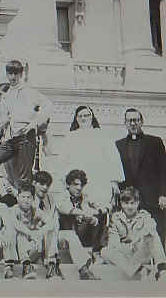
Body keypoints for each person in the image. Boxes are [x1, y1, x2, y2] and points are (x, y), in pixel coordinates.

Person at [0, 60, 53, 186]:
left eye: (16, 74)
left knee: (24, 176)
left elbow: (48, 105)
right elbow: (2, 120)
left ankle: (25, 202)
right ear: (7, 74)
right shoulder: (7, 94)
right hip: (11, 138)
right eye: (10, 74)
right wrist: (5, 121)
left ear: (21, 74)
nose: (13, 77)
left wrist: (34, 124)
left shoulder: (29, 91)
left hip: (26, 137)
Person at [51, 105, 124, 210]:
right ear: (76, 119)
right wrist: (64, 181)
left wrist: (114, 182)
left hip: (99, 181)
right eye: (80, 116)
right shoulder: (70, 137)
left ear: (92, 117)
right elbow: (63, 161)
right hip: (77, 183)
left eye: (86, 115)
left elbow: (113, 158)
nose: (83, 118)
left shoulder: (102, 135)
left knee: (100, 210)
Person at [115, 108, 166, 245]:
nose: (133, 123)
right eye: (129, 120)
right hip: (129, 200)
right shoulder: (118, 145)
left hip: (152, 198)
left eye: (136, 120)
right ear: (125, 123)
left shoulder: (155, 142)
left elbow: (163, 170)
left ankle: (160, 264)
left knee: (156, 234)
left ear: (142, 122)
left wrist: (163, 194)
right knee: (131, 236)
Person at [101, 187, 166, 281]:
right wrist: (127, 247)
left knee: (153, 235)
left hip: (139, 253)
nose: (130, 207)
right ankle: (140, 270)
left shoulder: (145, 216)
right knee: (105, 251)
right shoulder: (115, 218)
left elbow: (151, 228)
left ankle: (162, 269)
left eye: (132, 203)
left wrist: (137, 239)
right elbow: (113, 243)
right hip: (123, 255)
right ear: (121, 204)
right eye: (126, 203)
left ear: (138, 203)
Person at [56, 169, 105, 280]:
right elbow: (66, 209)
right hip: (61, 235)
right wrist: (86, 214)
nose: (79, 188)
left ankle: (96, 252)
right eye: (76, 184)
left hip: (78, 234)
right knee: (71, 234)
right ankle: (84, 270)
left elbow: (99, 206)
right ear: (68, 185)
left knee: (100, 216)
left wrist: (96, 213)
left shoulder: (84, 197)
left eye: (81, 185)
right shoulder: (61, 196)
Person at [12, 181, 60, 280]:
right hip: (17, 252)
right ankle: (26, 267)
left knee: (51, 230)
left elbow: (51, 223)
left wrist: (39, 234)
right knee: (21, 234)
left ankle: (51, 266)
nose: (26, 200)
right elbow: (15, 224)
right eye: (23, 197)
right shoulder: (13, 210)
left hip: (33, 248)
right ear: (17, 198)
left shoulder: (35, 210)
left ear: (33, 199)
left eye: (28, 197)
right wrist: (31, 234)